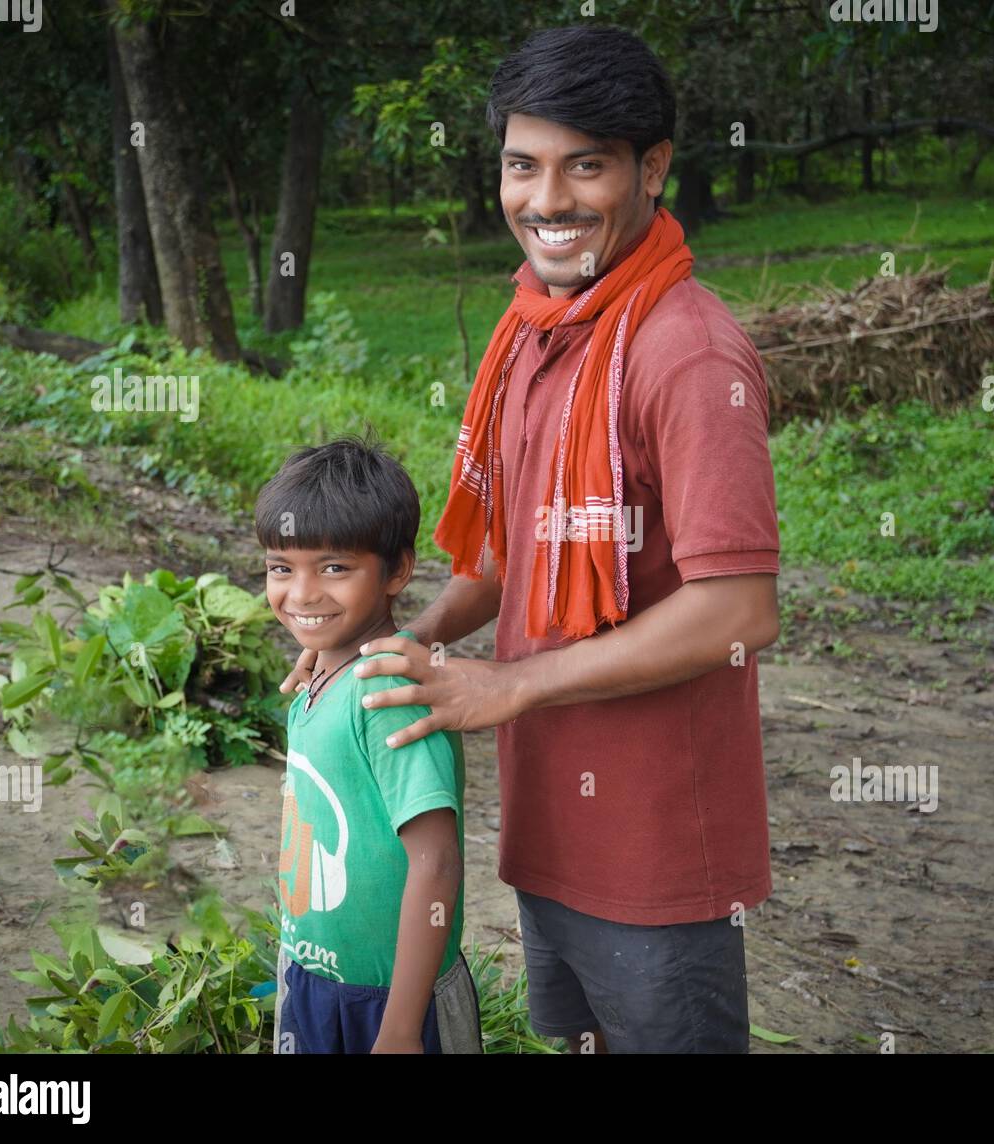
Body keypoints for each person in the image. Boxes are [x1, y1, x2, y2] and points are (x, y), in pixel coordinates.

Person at [282, 25, 781, 1054]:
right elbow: (510, 557)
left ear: (652, 169)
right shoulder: (538, 332)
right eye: (522, 164)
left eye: (584, 165)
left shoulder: (685, 355)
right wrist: (380, 649)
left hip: (651, 850)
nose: (546, 199)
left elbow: (738, 610)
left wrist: (506, 687)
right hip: (547, 822)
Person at [259, 434, 482, 1054]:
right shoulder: (318, 677)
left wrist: (402, 1029)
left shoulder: (388, 695)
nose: (302, 593)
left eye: (334, 567)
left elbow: (435, 863)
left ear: (398, 571)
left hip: (392, 1004)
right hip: (312, 976)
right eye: (282, 567)